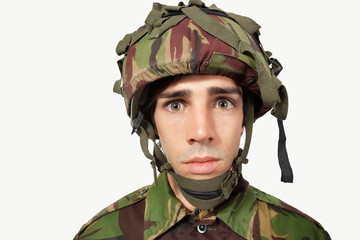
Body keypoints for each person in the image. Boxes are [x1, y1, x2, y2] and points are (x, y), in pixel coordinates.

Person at [74, 0, 331, 239]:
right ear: (151, 124)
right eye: (175, 105)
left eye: (223, 103)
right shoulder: (101, 233)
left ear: (245, 117)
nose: (200, 131)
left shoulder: (301, 233)